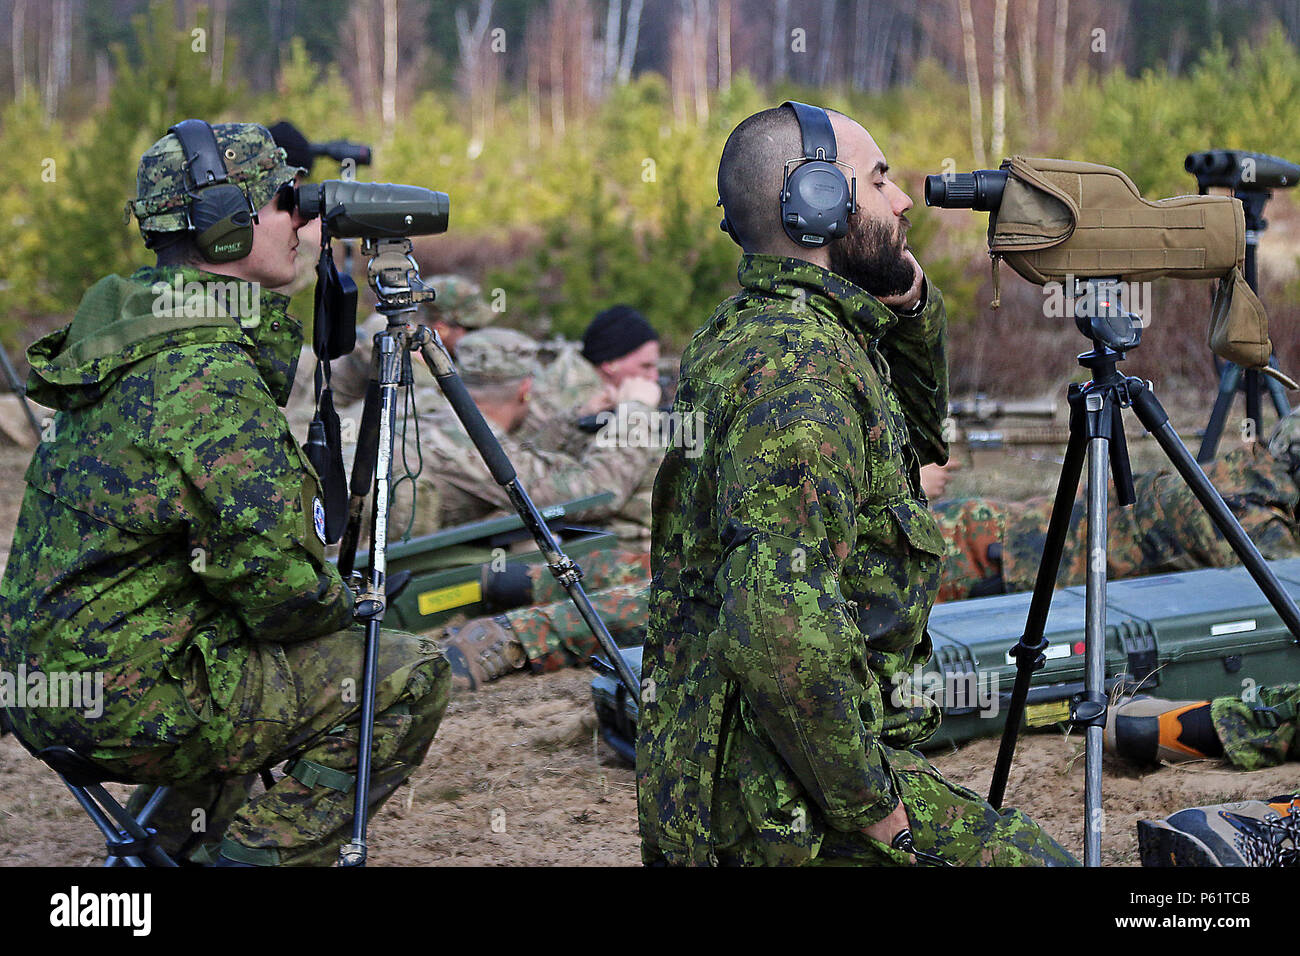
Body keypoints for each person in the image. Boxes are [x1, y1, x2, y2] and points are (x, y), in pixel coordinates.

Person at [635, 103, 1076, 866]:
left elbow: (913, 442)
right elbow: (779, 631)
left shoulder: (775, 328)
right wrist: (876, 813)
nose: (903, 200)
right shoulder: (800, 382)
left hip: (750, 764)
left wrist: (910, 309)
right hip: (769, 804)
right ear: (818, 206)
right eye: (878, 181)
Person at [0, 121, 451, 867]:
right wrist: (351, 606)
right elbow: (281, 594)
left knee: (246, 660)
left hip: (48, 688)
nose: (305, 219)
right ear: (224, 231)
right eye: (286, 201)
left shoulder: (133, 337)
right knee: (406, 673)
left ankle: (169, 846)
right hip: (129, 702)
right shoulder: (204, 374)